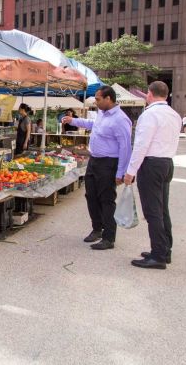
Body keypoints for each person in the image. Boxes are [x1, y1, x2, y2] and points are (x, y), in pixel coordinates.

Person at [62, 86, 132, 250]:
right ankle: (97, 229)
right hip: (94, 161)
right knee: (91, 196)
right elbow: (92, 124)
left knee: (106, 200)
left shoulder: (121, 119)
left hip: (109, 163)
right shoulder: (102, 113)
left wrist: (121, 172)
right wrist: (73, 121)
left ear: (109, 99)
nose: (96, 101)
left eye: (98, 99)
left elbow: (125, 148)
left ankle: (109, 237)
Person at [124, 81, 181, 270]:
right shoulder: (174, 114)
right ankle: (165, 250)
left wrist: (131, 171)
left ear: (149, 94)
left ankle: (158, 255)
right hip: (167, 162)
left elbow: (141, 145)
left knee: (152, 211)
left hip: (152, 163)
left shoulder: (149, 115)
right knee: (162, 208)